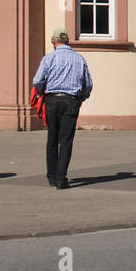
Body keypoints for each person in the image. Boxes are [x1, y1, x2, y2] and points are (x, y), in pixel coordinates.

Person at [32, 29, 93, 189]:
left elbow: (37, 80)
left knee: (52, 138)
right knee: (66, 140)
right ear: (67, 41)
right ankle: (61, 177)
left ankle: (51, 176)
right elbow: (88, 84)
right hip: (71, 100)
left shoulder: (49, 57)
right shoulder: (79, 58)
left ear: (54, 41)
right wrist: (81, 98)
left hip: (52, 99)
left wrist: (40, 92)